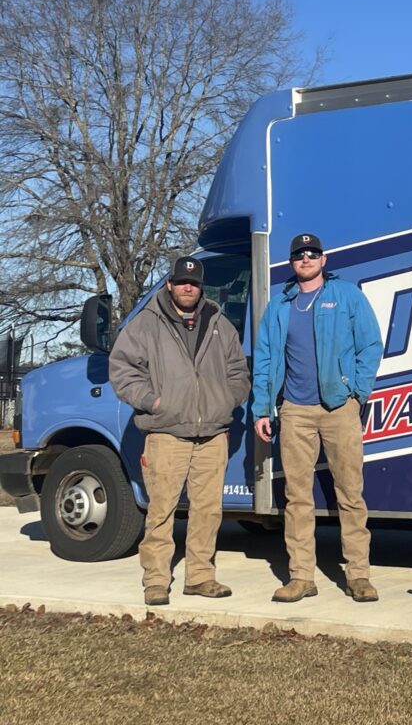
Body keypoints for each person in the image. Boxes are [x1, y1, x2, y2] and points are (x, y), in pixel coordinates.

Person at [109, 256, 250, 606]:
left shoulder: (219, 323)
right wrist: (153, 402)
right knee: (161, 511)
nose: (188, 287)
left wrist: (227, 401)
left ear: (202, 287)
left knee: (208, 510)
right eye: (182, 281)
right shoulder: (145, 324)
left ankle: (201, 576)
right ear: (169, 284)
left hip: (212, 434)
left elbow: (238, 371)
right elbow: (123, 370)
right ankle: (156, 580)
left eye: (195, 283)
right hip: (166, 433)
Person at [252, 233, 383, 603]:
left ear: (323, 259)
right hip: (294, 410)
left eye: (312, 253)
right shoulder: (279, 306)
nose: (305, 259)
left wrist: (357, 392)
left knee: (350, 495)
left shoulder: (347, 296)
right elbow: (264, 360)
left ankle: (358, 576)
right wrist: (263, 408)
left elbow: (371, 345)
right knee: (296, 498)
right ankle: (301, 577)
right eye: (299, 255)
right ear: (291, 263)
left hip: (339, 408)